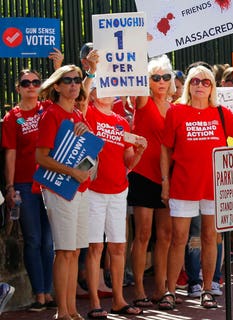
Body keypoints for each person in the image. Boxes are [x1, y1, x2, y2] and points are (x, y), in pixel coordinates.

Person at [160, 65, 233, 310]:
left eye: (205, 81)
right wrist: (165, 182)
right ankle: (170, 291)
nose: (199, 85)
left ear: (212, 87)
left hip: (214, 186)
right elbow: (166, 148)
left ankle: (208, 289)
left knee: (211, 237)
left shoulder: (220, 113)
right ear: (188, 85)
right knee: (179, 238)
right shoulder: (176, 112)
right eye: (195, 81)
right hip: (183, 185)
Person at [83, 84, 147, 318]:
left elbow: (128, 161)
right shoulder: (88, 113)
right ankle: (94, 301)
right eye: (102, 86)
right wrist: (90, 74)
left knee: (118, 246)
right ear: (93, 92)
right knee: (95, 247)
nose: (108, 90)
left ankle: (119, 299)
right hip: (93, 190)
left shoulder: (122, 121)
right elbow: (80, 96)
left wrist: (139, 151)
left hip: (119, 191)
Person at [36, 64, 94, 320]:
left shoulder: (79, 116)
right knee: (64, 251)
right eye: (68, 80)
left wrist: (90, 136)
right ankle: (62, 312)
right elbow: (41, 157)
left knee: (75, 251)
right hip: (59, 190)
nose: (73, 84)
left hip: (81, 190)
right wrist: (73, 173)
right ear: (57, 86)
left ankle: (71, 310)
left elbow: (90, 155)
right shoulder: (51, 114)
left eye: (77, 80)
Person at [2, 69, 57, 312]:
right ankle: (40, 294)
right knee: (33, 239)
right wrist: (10, 187)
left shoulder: (46, 108)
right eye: (26, 83)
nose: (31, 86)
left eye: (36, 82)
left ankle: (49, 290)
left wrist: (59, 66)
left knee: (49, 242)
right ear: (18, 88)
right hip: (25, 184)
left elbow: (67, 89)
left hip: (51, 182)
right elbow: (10, 154)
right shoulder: (12, 118)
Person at [128, 54, 176, 308]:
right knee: (143, 234)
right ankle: (137, 288)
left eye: (165, 77)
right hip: (143, 174)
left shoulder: (176, 108)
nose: (161, 81)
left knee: (165, 235)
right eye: (155, 77)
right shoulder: (142, 102)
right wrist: (141, 45)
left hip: (168, 177)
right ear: (147, 81)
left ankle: (161, 288)